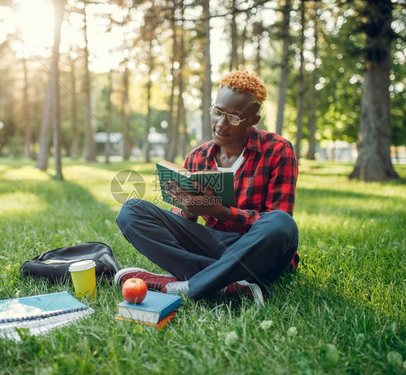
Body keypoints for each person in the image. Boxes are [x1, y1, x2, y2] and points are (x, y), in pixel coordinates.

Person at [114, 71, 299, 306]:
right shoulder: (198, 156)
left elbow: (276, 223)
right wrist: (188, 210)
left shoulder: (278, 151)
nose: (221, 124)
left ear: (253, 120)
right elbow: (182, 223)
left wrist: (220, 211)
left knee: (282, 223)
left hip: (256, 251)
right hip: (213, 245)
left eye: (233, 118)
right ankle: (230, 283)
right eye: (218, 112)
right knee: (131, 211)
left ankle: (188, 285)